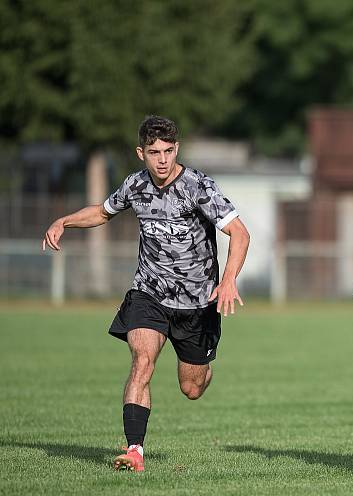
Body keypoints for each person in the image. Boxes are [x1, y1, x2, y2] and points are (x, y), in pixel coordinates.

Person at [43, 116, 251, 472]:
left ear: (177, 149)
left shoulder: (198, 186)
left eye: (169, 151)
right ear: (141, 153)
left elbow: (240, 233)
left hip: (197, 304)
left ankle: (204, 367)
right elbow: (102, 212)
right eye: (154, 152)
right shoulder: (135, 185)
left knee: (192, 387)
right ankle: (134, 450)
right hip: (149, 292)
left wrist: (229, 279)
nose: (163, 159)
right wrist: (64, 221)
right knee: (142, 361)